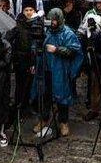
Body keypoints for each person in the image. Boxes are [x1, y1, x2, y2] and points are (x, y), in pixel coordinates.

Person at [30, 8, 82, 138]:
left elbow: (74, 50)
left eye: (53, 20)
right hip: (45, 69)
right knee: (44, 94)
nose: (51, 22)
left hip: (60, 70)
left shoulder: (67, 33)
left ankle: (63, 121)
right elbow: (35, 46)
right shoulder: (46, 32)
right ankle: (44, 118)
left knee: (62, 96)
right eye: (50, 20)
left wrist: (57, 50)